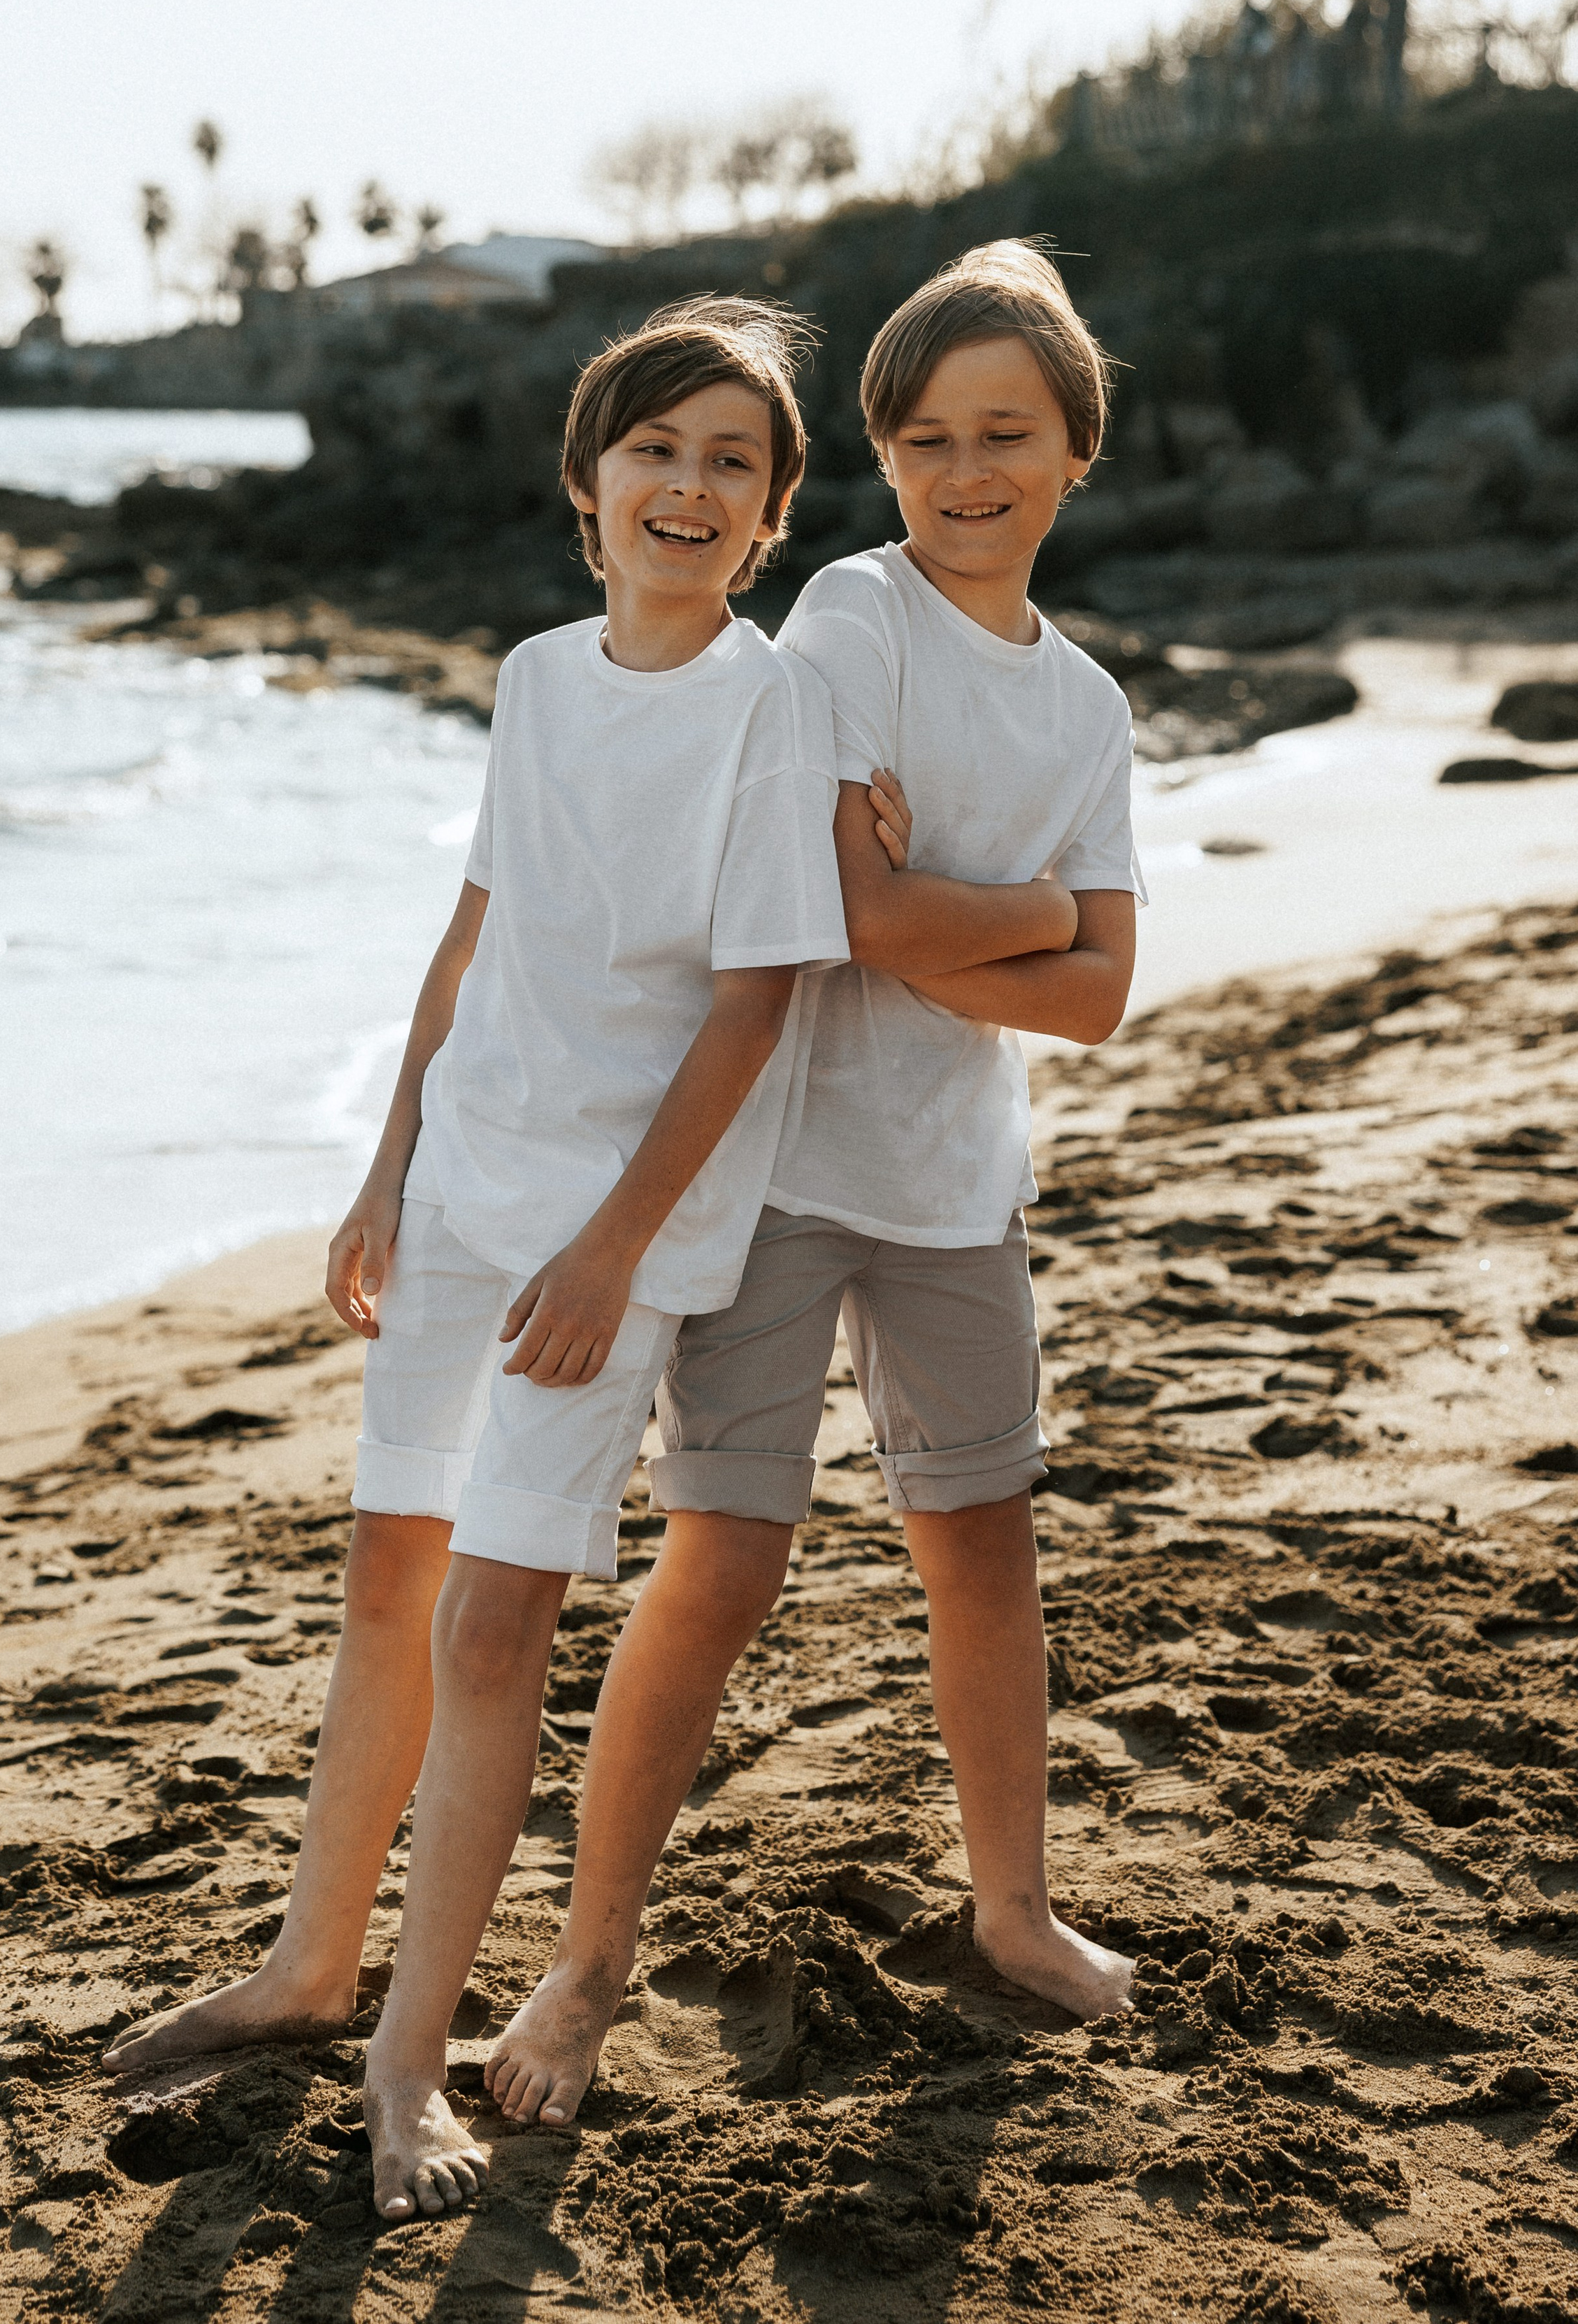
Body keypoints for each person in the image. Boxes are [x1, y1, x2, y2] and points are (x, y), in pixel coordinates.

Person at [103, 298, 852, 2223]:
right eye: (656, 453)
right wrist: (387, 1161)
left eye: (732, 464)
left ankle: (405, 2058)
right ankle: (308, 1964)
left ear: (768, 517)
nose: (688, 487)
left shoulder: (773, 706)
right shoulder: (534, 675)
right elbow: (477, 930)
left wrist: (615, 1248)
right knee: (385, 1582)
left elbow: (757, 1003)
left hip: (607, 1241)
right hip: (460, 1200)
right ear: (587, 487)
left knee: (498, 1628)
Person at [486, 239, 1145, 2135]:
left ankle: (1014, 1913)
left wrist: (968, 915)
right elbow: (849, 918)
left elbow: (1099, 1003)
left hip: (955, 1178)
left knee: (985, 1544)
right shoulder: (850, 623)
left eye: (1007, 435)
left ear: (1075, 451)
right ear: (875, 458)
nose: (966, 474)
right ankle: (591, 1958)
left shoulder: (1086, 708)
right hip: (774, 1170)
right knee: (726, 1558)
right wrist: (1014, 913)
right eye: (926, 439)